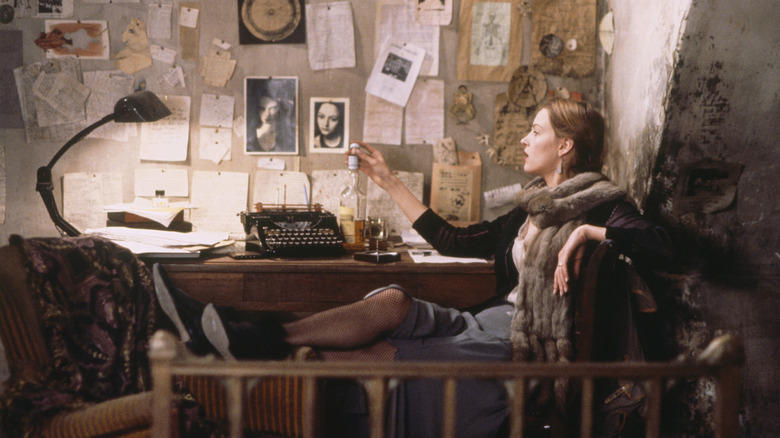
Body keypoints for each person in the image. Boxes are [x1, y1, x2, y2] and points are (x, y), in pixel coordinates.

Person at [154, 98, 674, 437]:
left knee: (374, 351)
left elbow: (666, 246)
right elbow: (454, 239)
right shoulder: (535, 205)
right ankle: (257, 337)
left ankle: (224, 382)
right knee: (394, 300)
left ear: (564, 145)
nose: (523, 138)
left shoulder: (602, 203)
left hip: (520, 345)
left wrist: (588, 231)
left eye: (534, 130)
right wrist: (387, 181)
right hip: (491, 322)